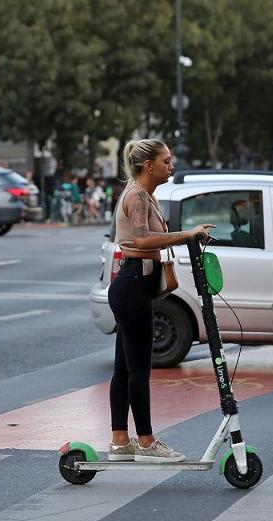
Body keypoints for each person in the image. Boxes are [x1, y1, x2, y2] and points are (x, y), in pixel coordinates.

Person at [107, 138, 214, 463]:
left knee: (125, 368)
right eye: (166, 161)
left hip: (136, 285)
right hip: (133, 285)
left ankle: (120, 441)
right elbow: (142, 239)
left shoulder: (145, 195)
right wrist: (186, 235)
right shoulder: (138, 195)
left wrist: (187, 236)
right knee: (139, 368)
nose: (171, 165)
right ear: (149, 165)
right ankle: (147, 442)